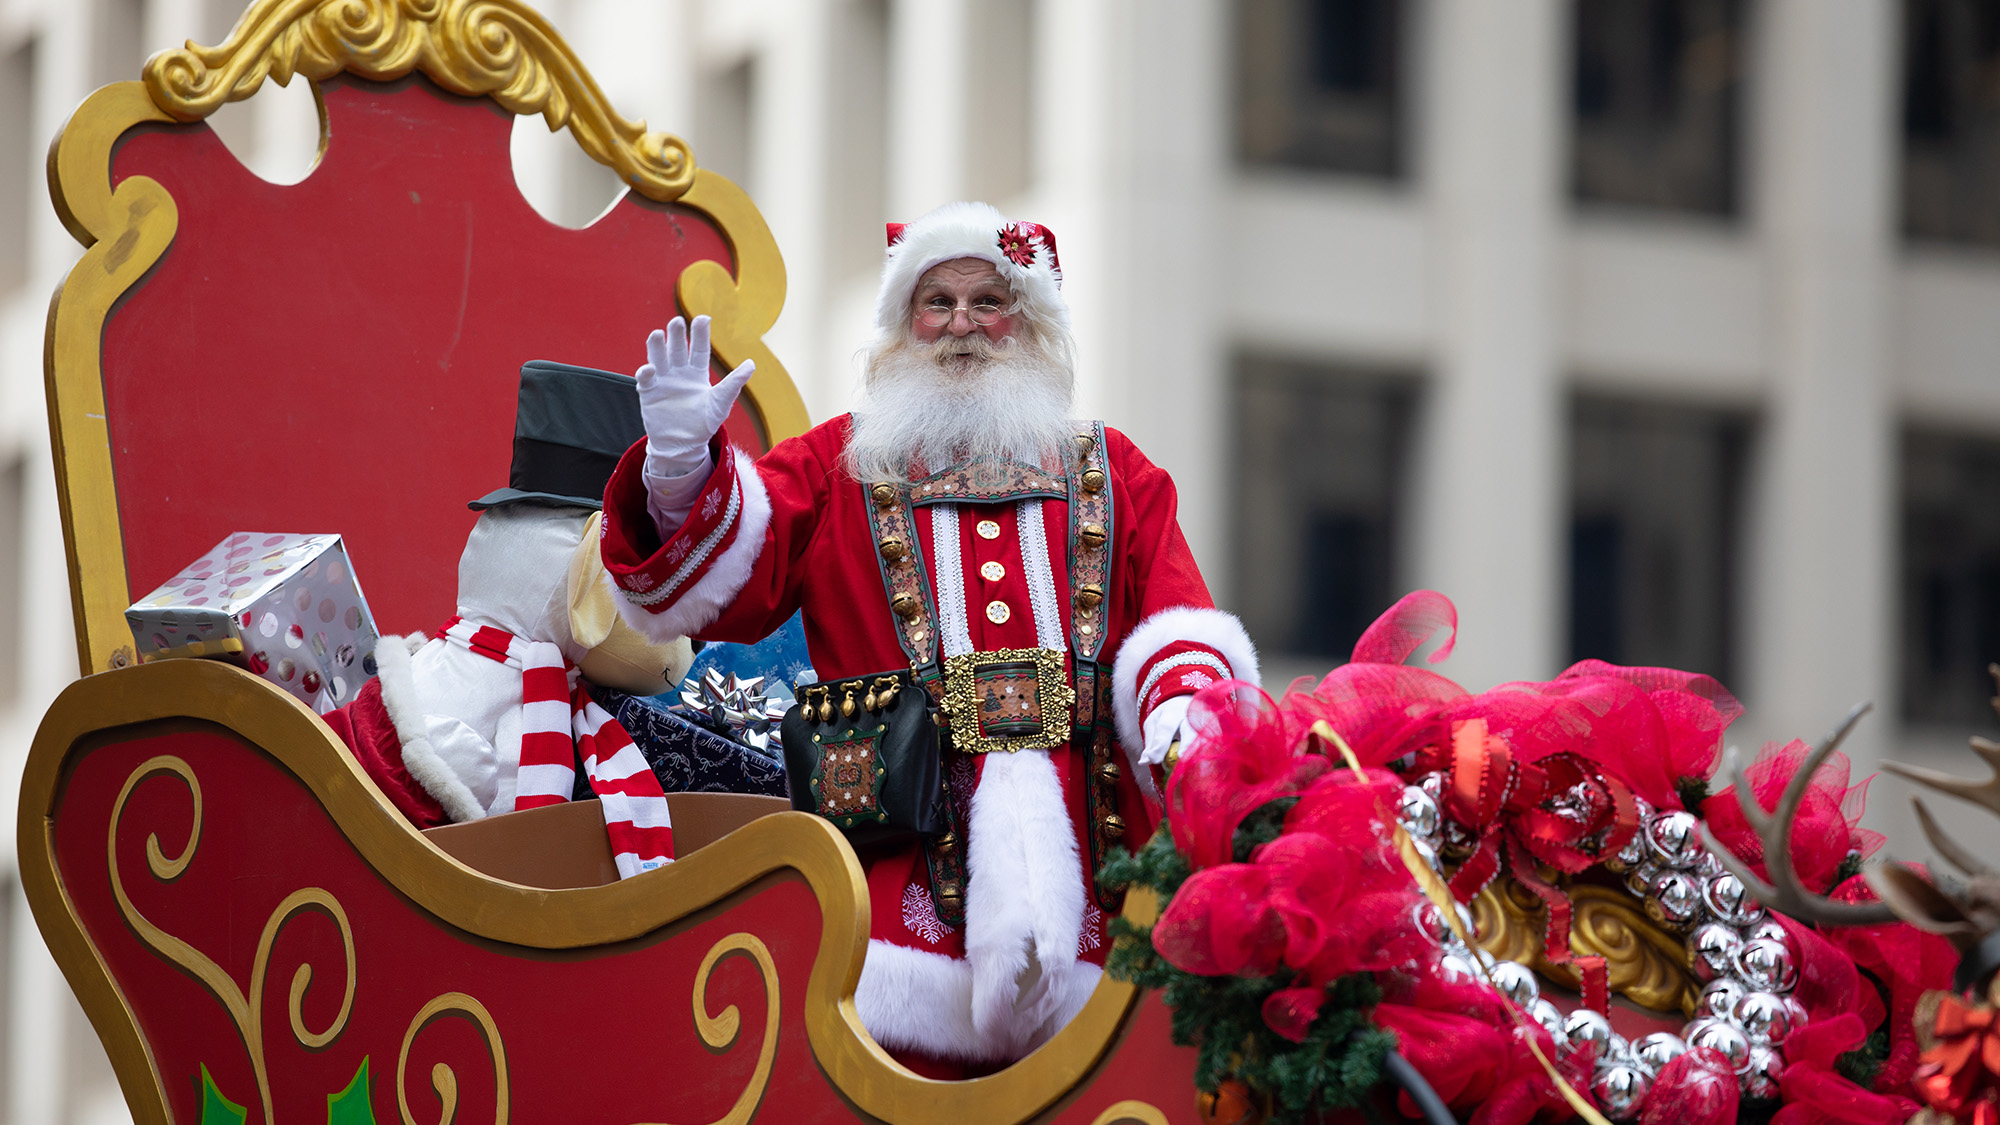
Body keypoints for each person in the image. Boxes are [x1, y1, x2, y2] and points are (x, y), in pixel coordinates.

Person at [599, 201, 1260, 1070]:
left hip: (1098, 859)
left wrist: (1185, 713)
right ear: (902, 325)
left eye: (988, 301)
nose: (961, 325)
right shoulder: (842, 463)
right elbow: (724, 589)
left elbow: (1177, 618)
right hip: (895, 885)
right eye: (936, 301)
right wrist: (680, 472)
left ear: (1028, 323)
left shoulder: (1115, 467)